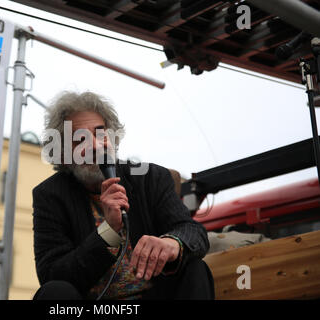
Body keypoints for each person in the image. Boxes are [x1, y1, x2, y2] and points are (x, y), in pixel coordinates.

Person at [32, 91, 214, 300]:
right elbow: (52, 275)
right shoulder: (50, 195)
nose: (94, 145)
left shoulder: (151, 178)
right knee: (55, 293)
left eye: (101, 134)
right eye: (80, 139)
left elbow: (193, 232)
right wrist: (108, 231)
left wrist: (173, 243)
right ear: (63, 154)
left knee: (195, 268)